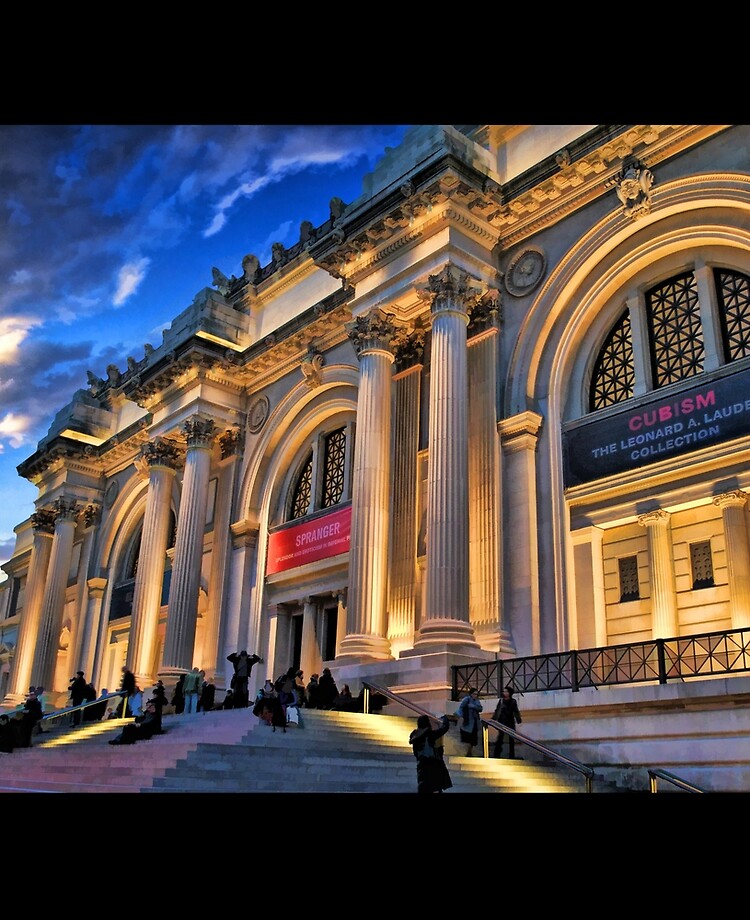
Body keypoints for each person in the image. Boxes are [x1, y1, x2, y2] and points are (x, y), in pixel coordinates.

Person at [409, 714, 453, 793]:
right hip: (432, 765)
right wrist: (445, 718)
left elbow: (416, 754)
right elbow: (444, 728)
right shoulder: (429, 734)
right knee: (434, 786)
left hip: (421, 766)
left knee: (424, 788)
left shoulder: (415, 737)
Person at [492, 685, 523, 759]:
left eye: (506, 691)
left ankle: (511, 755)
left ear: (509, 693)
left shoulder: (513, 701)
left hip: (510, 721)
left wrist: (518, 719)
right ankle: (497, 754)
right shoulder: (501, 701)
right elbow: (497, 710)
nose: (504, 693)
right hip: (502, 721)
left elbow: (516, 711)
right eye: (504, 691)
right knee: (500, 738)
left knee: (511, 739)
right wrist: (494, 718)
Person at [457, 687, 483, 756]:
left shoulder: (477, 701)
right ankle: (468, 752)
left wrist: (473, 706)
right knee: (467, 738)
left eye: (476, 694)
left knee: (473, 739)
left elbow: (480, 708)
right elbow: (461, 708)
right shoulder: (467, 699)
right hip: (467, 721)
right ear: (471, 694)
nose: (475, 696)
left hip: (474, 722)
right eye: (474, 694)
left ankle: (469, 752)